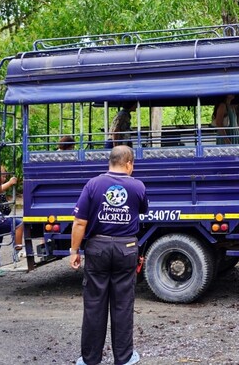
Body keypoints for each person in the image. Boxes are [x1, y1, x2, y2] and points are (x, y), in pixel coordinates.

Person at [70, 145, 148, 365]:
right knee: (123, 304)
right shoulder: (138, 186)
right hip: (127, 248)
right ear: (129, 163)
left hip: (98, 247)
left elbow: (79, 222)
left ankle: (90, 360)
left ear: (110, 161)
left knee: (94, 304)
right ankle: (124, 359)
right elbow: (142, 210)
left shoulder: (93, 184)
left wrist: (74, 251)